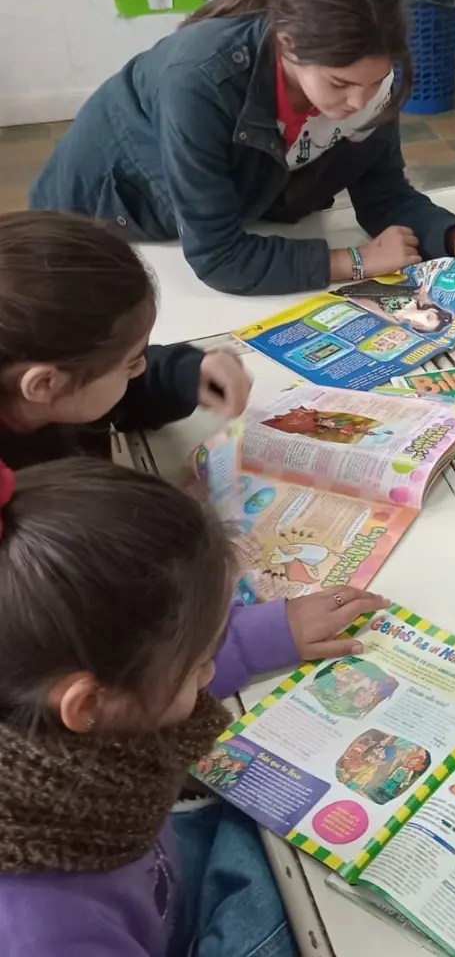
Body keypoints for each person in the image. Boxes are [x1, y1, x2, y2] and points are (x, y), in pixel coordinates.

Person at [0, 456, 389, 953]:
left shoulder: (43, 705)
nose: (209, 673)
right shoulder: (44, 929)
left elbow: (146, 668)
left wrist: (261, 636)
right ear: (89, 702)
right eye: (203, 660)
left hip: (163, 870)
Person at [30, 0, 455, 297]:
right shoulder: (201, 82)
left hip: (223, 206)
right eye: (339, 83)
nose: (359, 100)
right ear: (288, 44)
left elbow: (384, 193)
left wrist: (452, 238)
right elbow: (220, 259)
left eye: (375, 80)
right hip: (108, 217)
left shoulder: (370, 84)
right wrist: (356, 261)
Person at [0, 211, 251, 471]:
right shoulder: (19, 495)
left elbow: (113, 388)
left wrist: (186, 373)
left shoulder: (55, 376)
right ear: (44, 384)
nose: (141, 367)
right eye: (131, 363)